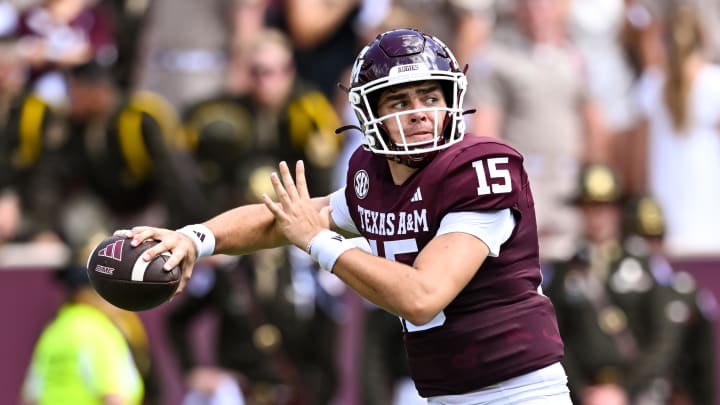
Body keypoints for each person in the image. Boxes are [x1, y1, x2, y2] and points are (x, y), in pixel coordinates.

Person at [116, 28, 571, 404]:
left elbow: (424, 295)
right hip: (443, 391)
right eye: (399, 102)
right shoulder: (372, 176)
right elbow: (284, 218)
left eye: (429, 97)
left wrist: (320, 243)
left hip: (518, 392)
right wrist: (194, 238)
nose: (419, 114)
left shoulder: (479, 168)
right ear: (370, 113)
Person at [544, 164, 680, 405]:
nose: (597, 215)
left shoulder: (646, 265)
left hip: (639, 392)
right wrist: (582, 391)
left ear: (617, 210)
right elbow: (555, 337)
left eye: (605, 206)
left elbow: (664, 339)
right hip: (583, 393)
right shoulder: (564, 271)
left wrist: (625, 390)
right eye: (590, 206)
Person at [20, 265, 144, 405]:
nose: (117, 296)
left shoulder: (52, 333)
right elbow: (114, 397)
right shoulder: (99, 331)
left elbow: (31, 398)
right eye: (109, 288)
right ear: (85, 294)